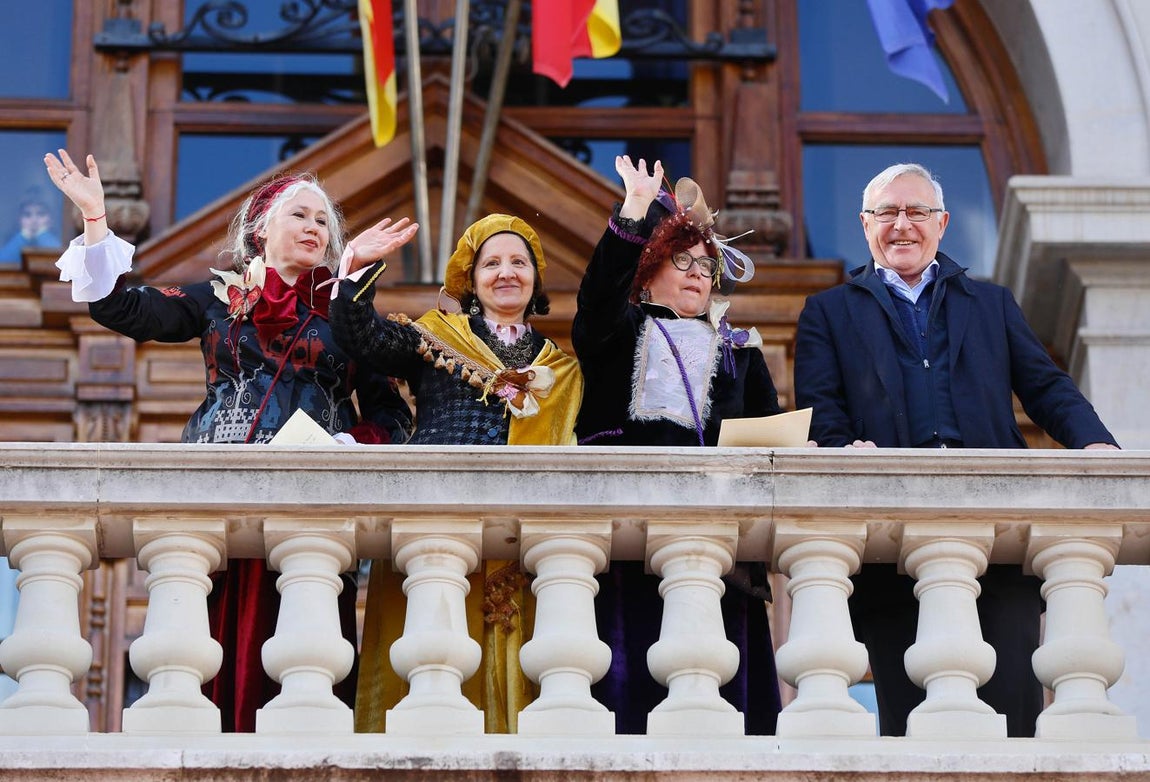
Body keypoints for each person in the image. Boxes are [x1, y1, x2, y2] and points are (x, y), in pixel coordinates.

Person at [45, 149, 415, 732]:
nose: (314, 228)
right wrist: (96, 218)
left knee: (306, 656)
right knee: (204, 647)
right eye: (300, 216)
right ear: (259, 229)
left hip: (312, 509)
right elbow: (120, 309)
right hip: (217, 502)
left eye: (323, 221)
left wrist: (346, 446)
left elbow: (394, 417)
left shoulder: (350, 314)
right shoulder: (218, 299)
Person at [793, 161, 1119, 738]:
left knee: (1015, 709)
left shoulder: (990, 303)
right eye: (887, 212)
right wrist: (845, 449)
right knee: (909, 719)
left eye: (916, 212)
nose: (902, 225)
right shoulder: (829, 312)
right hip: (887, 548)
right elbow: (821, 409)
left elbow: (1046, 387)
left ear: (942, 224)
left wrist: (1097, 446)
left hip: (999, 541)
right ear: (865, 224)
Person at [327, 212, 583, 733]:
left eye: (519, 262)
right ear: (470, 279)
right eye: (491, 263)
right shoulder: (434, 337)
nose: (506, 272)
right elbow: (364, 339)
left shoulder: (561, 367)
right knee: (431, 666)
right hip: (436, 528)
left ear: (536, 278)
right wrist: (356, 266)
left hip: (521, 543)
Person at [573, 155, 784, 735]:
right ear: (648, 271)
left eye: (705, 266)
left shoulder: (741, 351)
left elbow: (772, 436)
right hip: (627, 541)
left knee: (723, 703)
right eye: (681, 261)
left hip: (720, 547)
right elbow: (594, 302)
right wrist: (635, 209)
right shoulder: (619, 333)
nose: (697, 274)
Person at [0, 191, 61, 263]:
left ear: (51, 220)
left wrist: (43, 235)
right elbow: (2, 262)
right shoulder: (14, 241)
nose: (34, 220)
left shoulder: (59, 239)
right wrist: (23, 237)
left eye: (41, 214)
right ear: (19, 220)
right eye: (27, 215)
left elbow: (60, 259)